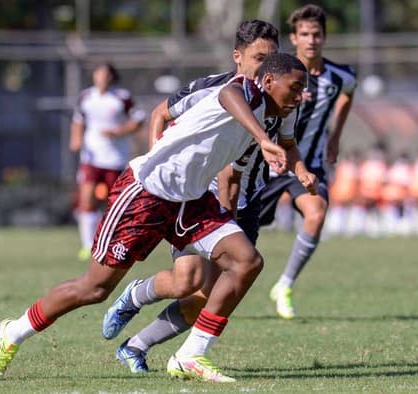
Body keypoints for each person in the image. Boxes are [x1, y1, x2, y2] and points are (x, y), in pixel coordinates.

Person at [0, 52, 311, 383]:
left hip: (191, 199)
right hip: (146, 192)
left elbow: (288, 143)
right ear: (268, 80)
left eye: (303, 90)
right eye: (294, 88)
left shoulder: (277, 113)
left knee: (246, 261)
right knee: (94, 289)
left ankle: (190, 355)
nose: (299, 97)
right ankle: (13, 332)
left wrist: (301, 171)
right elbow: (229, 95)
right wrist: (264, 141)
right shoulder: (243, 89)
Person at [99, 20, 312, 375]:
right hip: (196, 196)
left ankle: (137, 345)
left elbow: (287, 143)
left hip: (245, 201)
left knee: (205, 292)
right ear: (238, 57)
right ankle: (136, 299)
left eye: (272, 59)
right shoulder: (214, 90)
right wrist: (161, 170)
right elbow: (160, 114)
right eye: (259, 58)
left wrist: (301, 169)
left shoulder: (283, 98)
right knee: (192, 280)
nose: (267, 68)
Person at [259, 4, 357, 319]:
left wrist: (335, 136)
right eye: (304, 34)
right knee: (243, 233)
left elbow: (349, 94)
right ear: (294, 37)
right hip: (269, 164)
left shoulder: (341, 76)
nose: (311, 40)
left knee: (317, 212)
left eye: (316, 34)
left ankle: (285, 284)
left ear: (324, 38)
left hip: (309, 164)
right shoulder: (278, 75)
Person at [69, 63, 145, 261]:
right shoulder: (86, 97)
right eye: (98, 73)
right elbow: (78, 120)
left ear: (112, 77)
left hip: (115, 158)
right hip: (91, 157)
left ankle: (115, 242)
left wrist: (118, 132)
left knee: (114, 203)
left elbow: (138, 120)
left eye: (105, 74)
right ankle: (87, 245)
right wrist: (76, 139)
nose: (101, 77)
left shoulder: (122, 97)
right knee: (87, 198)